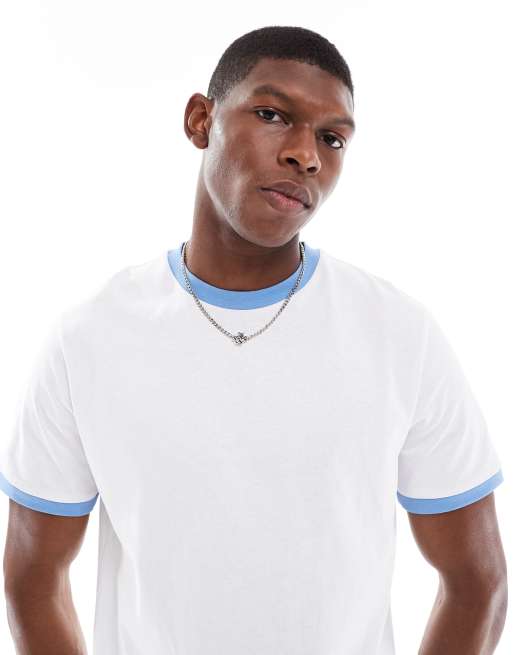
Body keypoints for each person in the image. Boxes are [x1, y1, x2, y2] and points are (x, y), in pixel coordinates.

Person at [1, 24, 507, 655]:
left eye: (332, 138)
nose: (306, 155)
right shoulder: (90, 338)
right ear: (200, 120)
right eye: (272, 115)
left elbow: (476, 581)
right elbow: (33, 577)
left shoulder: (400, 335)